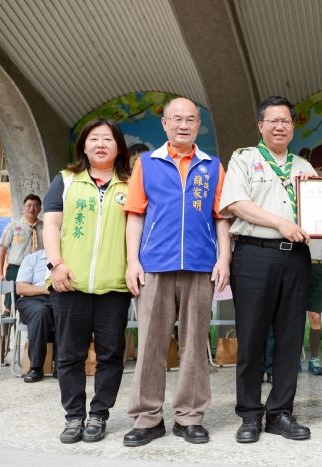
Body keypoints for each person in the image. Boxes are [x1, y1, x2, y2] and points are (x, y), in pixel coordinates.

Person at [124, 97, 230, 447]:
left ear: (200, 125)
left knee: (195, 344)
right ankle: (147, 416)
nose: (184, 125)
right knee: (152, 342)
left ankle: (190, 416)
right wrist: (132, 261)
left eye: (191, 120)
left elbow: (222, 218)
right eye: (177, 119)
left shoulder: (212, 166)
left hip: (200, 265)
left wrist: (223, 259)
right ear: (164, 124)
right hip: (155, 265)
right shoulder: (147, 164)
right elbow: (136, 213)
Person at [220, 95, 315, 443]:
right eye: (272, 121)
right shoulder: (244, 160)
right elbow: (234, 203)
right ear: (261, 126)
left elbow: (318, 213)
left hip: (297, 257)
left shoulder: (304, 168)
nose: (279, 126)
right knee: (252, 337)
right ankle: (249, 414)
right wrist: (280, 223)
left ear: (293, 127)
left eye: (286, 121)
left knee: (291, 337)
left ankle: (280, 413)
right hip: (254, 255)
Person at [42, 119, 131, 444]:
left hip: (114, 287)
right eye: (94, 139)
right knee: (69, 355)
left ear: (118, 147)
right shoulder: (65, 180)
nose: (101, 144)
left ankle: (99, 415)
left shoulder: (130, 184)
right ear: (83, 145)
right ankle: (74, 417)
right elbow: (50, 225)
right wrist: (57, 264)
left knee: (110, 354)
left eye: (108, 139)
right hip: (70, 284)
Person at [15, 249, 56, 382]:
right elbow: (21, 288)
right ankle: (36, 367)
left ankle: (61, 365)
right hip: (32, 300)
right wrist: (47, 289)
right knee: (40, 312)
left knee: (66, 312)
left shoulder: (70, 257)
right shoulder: (32, 258)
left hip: (61, 298)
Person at [0, 194, 43, 314]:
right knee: (10, 305)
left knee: (35, 302)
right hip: (15, 269)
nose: (32, 208)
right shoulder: (13, 226)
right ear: (23, 207)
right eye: (29, 205)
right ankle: (4, 332)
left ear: (40, 208)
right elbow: (3, 249)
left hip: (37, 271)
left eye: (35, 206)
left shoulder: (44, 227)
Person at [307, 239, 322, 376]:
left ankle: (314, 359)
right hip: (296, 262)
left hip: (318, 265)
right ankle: (292, 360)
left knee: (315, 317)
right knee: (291, 315)